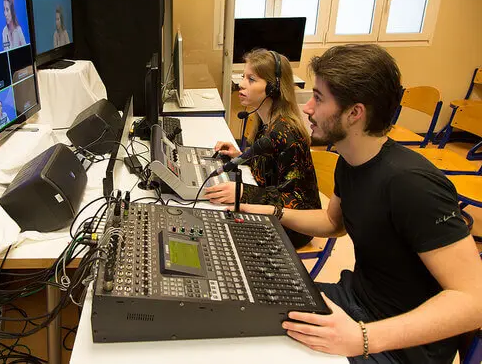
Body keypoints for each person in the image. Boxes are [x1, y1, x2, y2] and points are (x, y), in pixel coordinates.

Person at [235, 44, 482, 363]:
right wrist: (263, 209)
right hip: (355, 303)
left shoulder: (412, 184)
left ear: (355, 113)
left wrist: (361, 338)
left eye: (319, 98)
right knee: (245, 312)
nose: (307, 108)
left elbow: (474, 299)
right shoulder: (349, 161)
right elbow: (331, 223)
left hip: (399, 346)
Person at [205, 49, 320, 249]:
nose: (241, 84)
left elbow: (298, 202)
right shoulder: (265, 121)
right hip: (271, 210)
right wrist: (242, 157)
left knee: (218, 237)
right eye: (243, 77)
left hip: (295, 227)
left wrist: (244, 193)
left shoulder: (288, 134)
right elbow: (270, 171)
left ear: (273, 89)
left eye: (251, 79)